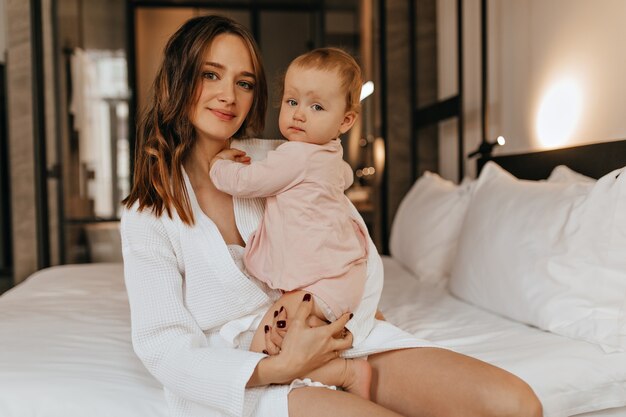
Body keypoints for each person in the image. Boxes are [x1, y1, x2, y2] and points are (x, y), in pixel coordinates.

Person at [121, 14, 543, 417]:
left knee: (516, 405)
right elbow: (163, 347)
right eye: (209, 74)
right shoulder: (147, 211)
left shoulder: (286, 157)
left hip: (336, 335)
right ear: (178, 78)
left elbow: (355, 245)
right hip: (252, 369)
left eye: (244, 82)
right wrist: (278, 368)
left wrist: (354, 318)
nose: (229, 95)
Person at [208, 47, 372, 399]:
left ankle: (348, 371)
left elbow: (244, 182)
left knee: (262, 347)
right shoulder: (331, 155)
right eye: (292, 101)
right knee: (293, 340)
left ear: (345, 121)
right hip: (340, 278)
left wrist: (219, 163)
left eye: (316, 107)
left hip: (320, 284)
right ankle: (340, 366)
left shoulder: (296, 156)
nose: (299, 115)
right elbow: (342, 177)